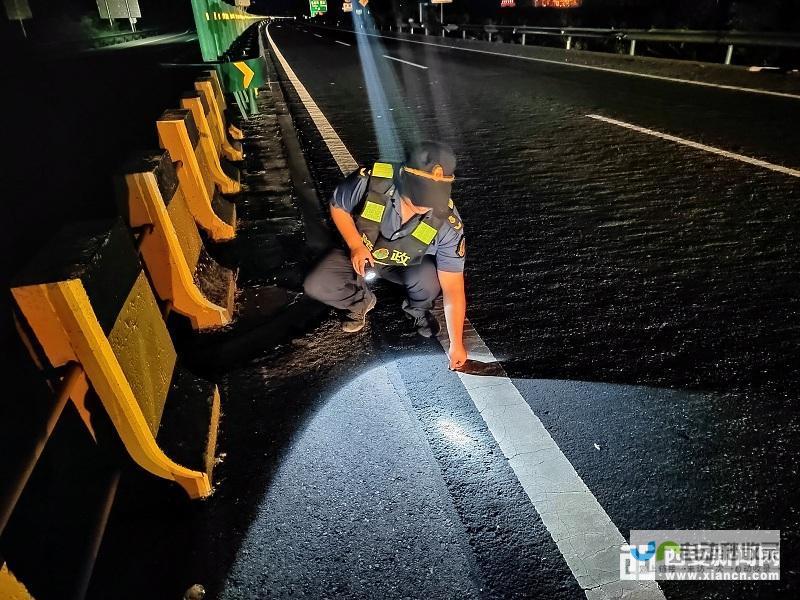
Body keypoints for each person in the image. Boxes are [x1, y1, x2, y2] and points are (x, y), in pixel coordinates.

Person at [303, 141, 468, 370]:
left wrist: (456, 343)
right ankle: (360, 302)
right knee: (317, 284)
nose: (423, 207)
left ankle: (417, 309)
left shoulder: (448, 222)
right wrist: (355, 244)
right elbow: (337, 206)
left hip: (404, 263)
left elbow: (453, 287)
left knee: (429, 280)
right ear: (403, 176)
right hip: (363, 252)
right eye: (418, 198)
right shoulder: (373, 180)